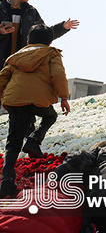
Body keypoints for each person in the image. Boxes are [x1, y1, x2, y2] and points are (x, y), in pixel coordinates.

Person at [0, 24, 70, 198]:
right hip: (39, 101)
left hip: (16, 101)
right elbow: (58, 75)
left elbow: (2, 77)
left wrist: (4, 96)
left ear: (28, 40)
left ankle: (7, 181)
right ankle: (34, 139)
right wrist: (64, 97)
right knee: (51, 116)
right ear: (50, 41)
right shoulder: (51, 53)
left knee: (13, 141)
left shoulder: (15, 57)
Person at [0, 0, 79, 67]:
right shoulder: (1, 8)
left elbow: (44, 35)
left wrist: (62, 27)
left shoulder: (31, 12)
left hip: (21, 67)